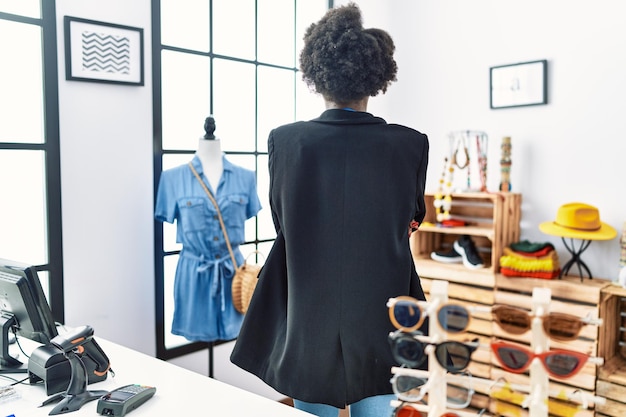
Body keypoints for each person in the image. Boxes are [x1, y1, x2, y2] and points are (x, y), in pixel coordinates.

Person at [230, 3, 429, 417]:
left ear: (316, 74)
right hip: (382, 307)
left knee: (310, 403)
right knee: (379, 398)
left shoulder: (284, 142)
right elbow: (410, 219)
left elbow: (283, 220)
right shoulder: (410, 144)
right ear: (375, 79)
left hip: (307, 308)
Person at [155, 117, 261, 343]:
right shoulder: (173, 178)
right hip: (195, 274)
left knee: (240, 340)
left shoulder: (246, 177)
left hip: (234, 275)